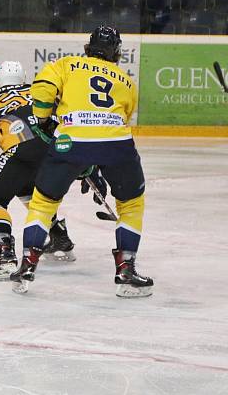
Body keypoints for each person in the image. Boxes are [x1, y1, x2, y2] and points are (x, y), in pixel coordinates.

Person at [10, 25, 153, 298]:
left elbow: (41, 91)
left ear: (87, 49)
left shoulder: (66, 64)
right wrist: (98, 162)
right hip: (117, 144)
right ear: (117, 54)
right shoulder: (126, 80)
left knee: (43, 203)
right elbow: (120, 118)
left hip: (70, 142)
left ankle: (27, 264)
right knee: (131, 204)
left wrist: (42, 118)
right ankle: (126, 269)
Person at [0, 61, 76, 280]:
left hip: (22, 149)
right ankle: (58, 235)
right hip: (57, 150)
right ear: (24, 79)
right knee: (27, 187)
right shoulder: (41, 92)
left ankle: (3, 252)